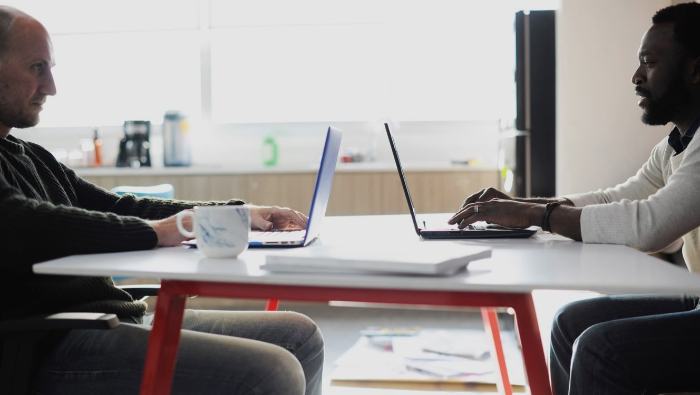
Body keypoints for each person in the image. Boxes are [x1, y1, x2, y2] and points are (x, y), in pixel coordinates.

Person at [0, 6, 323, 395]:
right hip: (45, 346)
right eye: (37, 67)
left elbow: (117, 207)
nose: (51, 86)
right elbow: (20, 223)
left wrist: (238, 215)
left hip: (109, 322)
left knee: (300, 337)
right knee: (273, 371)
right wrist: (159, 232)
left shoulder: (30, 155)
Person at [449, 3, 700, 394]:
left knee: (599, 351)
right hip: (696, 297)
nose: (635, 77)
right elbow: (611, 199)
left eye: (649, 63)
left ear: (695, 70)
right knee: (569, 323)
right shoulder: (675, 147)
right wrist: (520, 206)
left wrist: (534, 214)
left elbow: (652, 226)